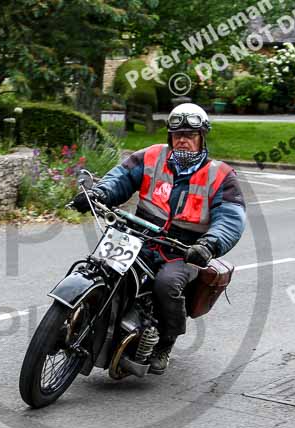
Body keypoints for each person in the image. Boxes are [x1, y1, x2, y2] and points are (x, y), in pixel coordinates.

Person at [72, 103, 246, 374]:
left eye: (190, 135)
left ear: (202, 137)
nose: (184, 141)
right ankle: (81, 319)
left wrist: (209, 244)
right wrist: (99, 194)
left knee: (166, 284)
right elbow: (120, 178)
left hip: (184, 249)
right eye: (178, 136)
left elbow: (231, 218)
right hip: (137, 236)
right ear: (170, 137)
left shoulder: (220, 175)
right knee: (100, 267)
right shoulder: (151, 157)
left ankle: (166, 340)